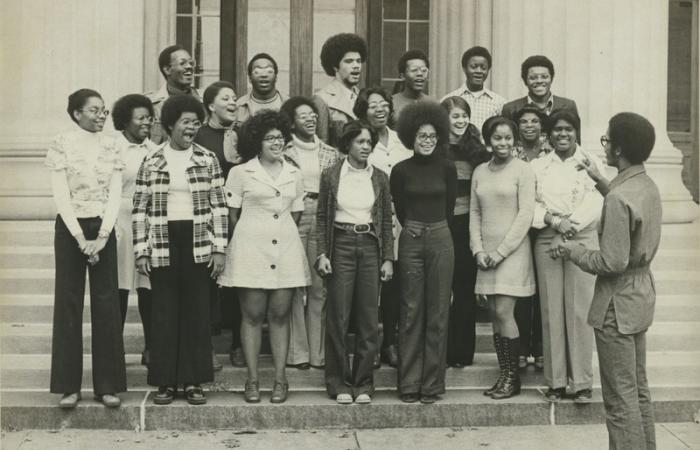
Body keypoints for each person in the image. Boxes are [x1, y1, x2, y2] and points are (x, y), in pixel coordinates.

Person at [551, 113, 660, 450]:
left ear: (620, 148)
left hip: (616, 304)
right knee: (637, 388)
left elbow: (611, 261)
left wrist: (573, 250)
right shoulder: (646, 184)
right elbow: (624, 202)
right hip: (640, 296)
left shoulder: (618, 198)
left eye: (608, 140)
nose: (605, 144)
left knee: (618, 400)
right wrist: (598, 178)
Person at [133, 95, 228, 406]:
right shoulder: (151, 160)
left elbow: (219, 207)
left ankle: (193, 380)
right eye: (186, 122)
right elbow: (140, 208)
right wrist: (141, 249)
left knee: (196, 311)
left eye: (195, 123)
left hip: (197, 239)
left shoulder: (207, 159)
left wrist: (219, 249)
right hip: (162, 239)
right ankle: (165, 381)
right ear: (171, 124)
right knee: (164, 311)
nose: (191, 128)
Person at [218, 110, 310, 404]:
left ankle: (281, 380)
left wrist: (277, 233)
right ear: (257, 141)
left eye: (280, 137)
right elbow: (232, 214)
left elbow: (296, 213)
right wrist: (252, 235)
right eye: (269, 138)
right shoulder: (240, 172)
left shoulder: (294, 173)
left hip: (285, 247)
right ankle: (253, 380)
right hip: (250, 248)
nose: (276, 142)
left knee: (280, 316)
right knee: (253, 315)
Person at [46, 89, 126, 409]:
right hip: (70, 229)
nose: (101, 115)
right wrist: (80, 238)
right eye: (94, 110)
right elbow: (60, 194)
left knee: (107, 305)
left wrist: (103, 235)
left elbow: (116, 192)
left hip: (103, 228)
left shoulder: (112, 145)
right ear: (77, 113)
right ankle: (69, 386)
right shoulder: (61, 143)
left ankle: (107, 386)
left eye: (103, 110)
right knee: (68, 304)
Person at [316, 120, 394, 404]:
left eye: (369, 142)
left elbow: (386, 221)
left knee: (368, 317)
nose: (366, 147)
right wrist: (322, 253)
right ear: (347, 144)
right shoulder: (331, 175)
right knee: (338, 315)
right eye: (360, 142)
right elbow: (322, 217)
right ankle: (337, 382)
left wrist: (388, 258)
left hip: (370, 245)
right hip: (342, 243)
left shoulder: (381, 177)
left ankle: (363, 382)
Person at [530, 109, 605, 403]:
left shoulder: (590, 162)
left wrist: (571, 225)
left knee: (579, 309)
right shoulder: (538, 166)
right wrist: (552, 221)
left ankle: (583, 382)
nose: (563, 134)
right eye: (557, 130)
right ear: (548, 134)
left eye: (568, 129)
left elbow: (599, 199)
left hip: (582, 235)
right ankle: (556, 381)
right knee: (551, 309)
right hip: (548, 235)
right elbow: (529, 203)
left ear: (576, 132)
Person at [390, 102, 457, 404]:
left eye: (432, 136)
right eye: (421, 136)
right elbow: (402, 210)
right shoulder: (400, 170)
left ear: (439, 136)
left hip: (441, 236)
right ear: (410, 137)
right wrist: (416, 229)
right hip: (412, 238)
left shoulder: (447, 167)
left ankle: (431, 385)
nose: (427, 141)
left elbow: (450, 207)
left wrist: (433, 229)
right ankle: (408, 383)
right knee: (411, 311)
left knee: (438, 312)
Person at [470, 117, 536, 400]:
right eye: (497, 138)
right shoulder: (480, 171)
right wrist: (479, 250)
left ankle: (513, 379)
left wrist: (500, 252)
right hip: (486, 256)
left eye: (508, 138)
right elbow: (475, 213)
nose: (504, 143)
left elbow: (525, 215)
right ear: (488, 140)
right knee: (495, 318)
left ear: (515, 139)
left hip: (512, 253)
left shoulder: (523, 170)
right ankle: (504, 375)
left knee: (503, 313)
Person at [280, 96, 341, 370]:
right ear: (292, 121)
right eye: (303, 115)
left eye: (313, 114)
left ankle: (318, 354)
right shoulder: (283, 152)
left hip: (323, 215)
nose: (310, 118)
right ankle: (298, 354)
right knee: (294, 284)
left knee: (319, 286)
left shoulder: (331, 153)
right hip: (294, 215)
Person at [355, 87, 412, 368]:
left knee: (394, 284)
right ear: (362, 111)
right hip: (367, 219)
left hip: (399, 219)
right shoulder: (360, 141)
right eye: (372, 105)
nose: (379, 109)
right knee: (368, 285)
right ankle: (369, 345)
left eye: (383, 104)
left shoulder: (403, 141)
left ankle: (390, 341)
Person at [195, 80, 243, 370]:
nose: (233, 102)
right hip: (207, 216)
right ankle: (207, 347)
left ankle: (238, 343)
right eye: (226, 98)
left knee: (237, 282)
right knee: (207, 281)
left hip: (238, 215)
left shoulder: (244, 135)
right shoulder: (199, 135)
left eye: (235, 98)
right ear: (211, 105)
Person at [439, 96, 490, 368]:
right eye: (455, 116)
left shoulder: (477, 151)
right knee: (441, 290)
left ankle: (462, 352)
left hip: (468, 226)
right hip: (441, 224)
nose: (460, 121)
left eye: (463, 116)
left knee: (464, 289)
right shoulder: (435, 148)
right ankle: (443, 351)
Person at [111, 94, 158, 366]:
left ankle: (152, 347)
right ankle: (112, 349)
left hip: (147, 221)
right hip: (117, 220)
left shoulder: (155, 150)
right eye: (140, 118)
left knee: (148, 286)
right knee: (117, 287)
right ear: (125, 120)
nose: (146, 123)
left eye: (149, 118)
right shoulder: (112, 149)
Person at [511, 105, 551, 371]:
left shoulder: (551, 151)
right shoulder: (511, 151)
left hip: (545, 225)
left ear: (541, 126)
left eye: (534, 121)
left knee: (543, 289)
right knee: (522, 289)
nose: (529, 126)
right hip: (518, 225)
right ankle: (522, 346)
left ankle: (540, 346)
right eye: (523, 121)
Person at [313, 33, 368, 147]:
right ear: (335, 66)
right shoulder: (322, 99)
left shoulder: (364, 96)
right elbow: (322, 145)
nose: (356, 65)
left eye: (358, 61)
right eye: (349, 61)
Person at [146, 45, 202, 144]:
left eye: (191, 63)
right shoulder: (150, 105)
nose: (189, 67)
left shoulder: (204, 102)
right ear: (167, 70)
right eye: (182, 63)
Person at [442, 46, 506, 132]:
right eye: (474, 66)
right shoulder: (449, 99)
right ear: (464, 68)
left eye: (483, 68)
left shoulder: (499, 102)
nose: (479, 71)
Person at [501, 56, 579, 126]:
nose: (539, 81)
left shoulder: (568, 105)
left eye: (544, 77)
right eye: (533, 77)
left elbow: (576, 140)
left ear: (551, 79)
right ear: (525, 81)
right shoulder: (510, 109)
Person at [235, 53, 287, 127]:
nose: (264, 75)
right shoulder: (239, 106)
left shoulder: (288, 104)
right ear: (250, 79)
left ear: (276, 77)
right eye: (257, 72)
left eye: (269, 71)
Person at [391, 50, 432, 124]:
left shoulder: (433, 104)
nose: (420, 74)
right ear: (402, 76)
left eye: (424, 70)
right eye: (414, 70)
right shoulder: (391, 104)